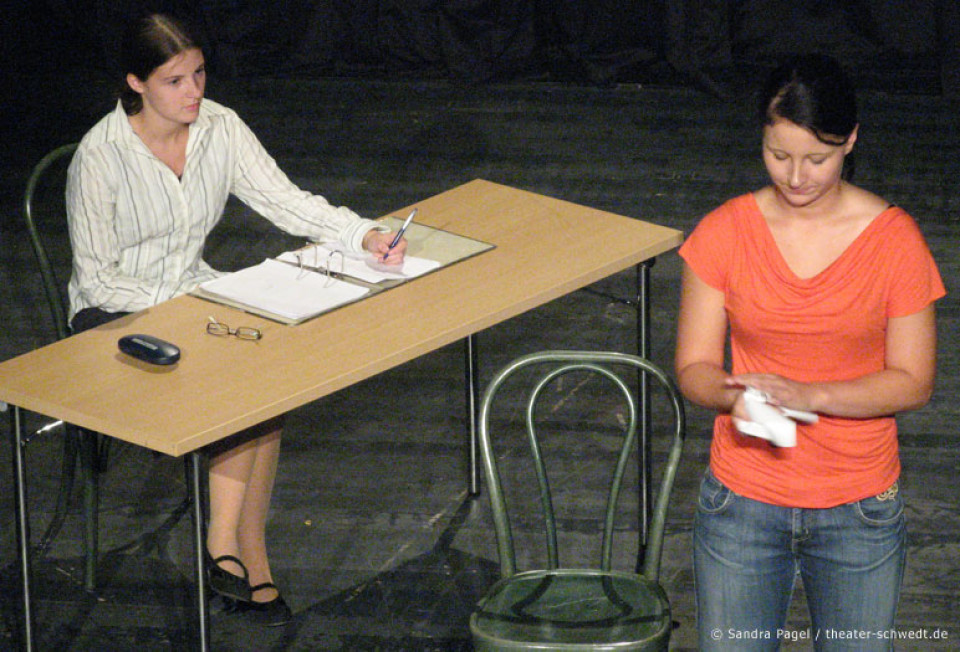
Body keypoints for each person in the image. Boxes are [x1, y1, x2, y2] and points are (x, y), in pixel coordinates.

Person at [66, 12, 408, 626]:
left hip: (193, 297)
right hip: (115, 314)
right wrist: (188, 311)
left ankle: (233, 551)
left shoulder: (220, 127)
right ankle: (235, 552)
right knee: (242, 373)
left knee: (268, 367)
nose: (194, 91)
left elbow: (284, 199)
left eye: (198, 74)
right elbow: (96, 277)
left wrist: (365, 234)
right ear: (136, 83)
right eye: (175, 80)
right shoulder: (100, 155)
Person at [674, 53, 945, 650]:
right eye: (778, 155)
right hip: (740, 504)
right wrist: (733, 393)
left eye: (816, 159)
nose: (796, 176)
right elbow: (694, 368)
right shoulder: (724, 231)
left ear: (850, 140)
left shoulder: (894, 242)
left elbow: (913, 381)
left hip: (859, 509)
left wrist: (809, 395)